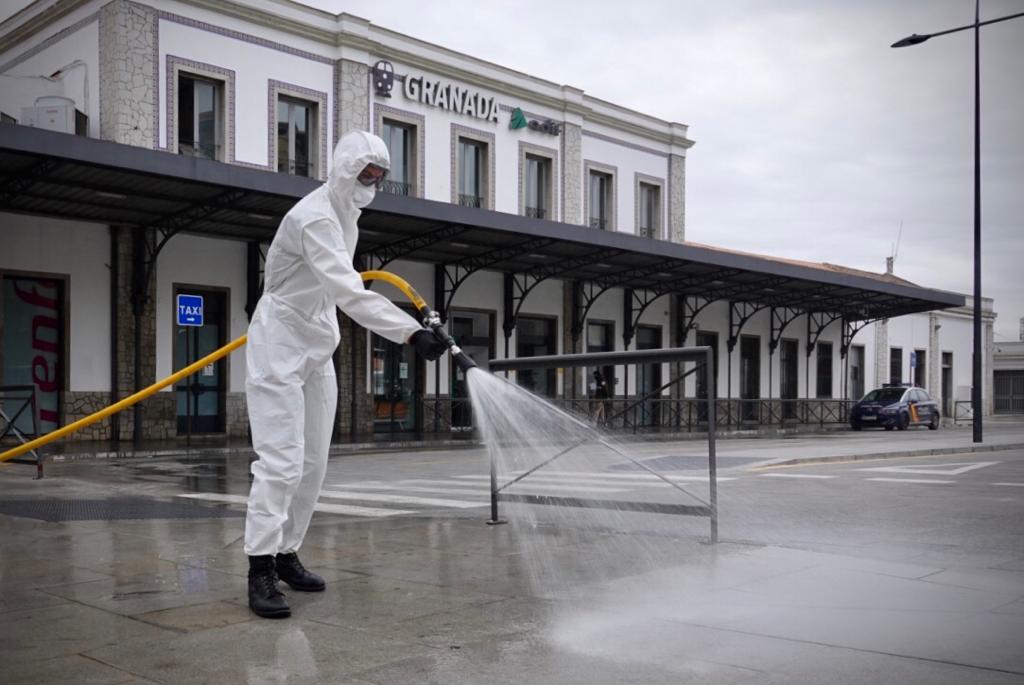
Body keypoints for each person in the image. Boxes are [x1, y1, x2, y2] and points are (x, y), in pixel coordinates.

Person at [244, 131, 447, 619]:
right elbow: (348, 290)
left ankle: (286, 552)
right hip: (280, 342)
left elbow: (339, 294)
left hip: (316, 341)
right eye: (364, 174)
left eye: (379, 177)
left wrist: (412, 329)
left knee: (314, 461)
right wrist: (409, 333)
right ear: (342, 170)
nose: (371, 183)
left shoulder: (345, 214)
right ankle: (259, 568)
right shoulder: (315, 217)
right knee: (281, 461)